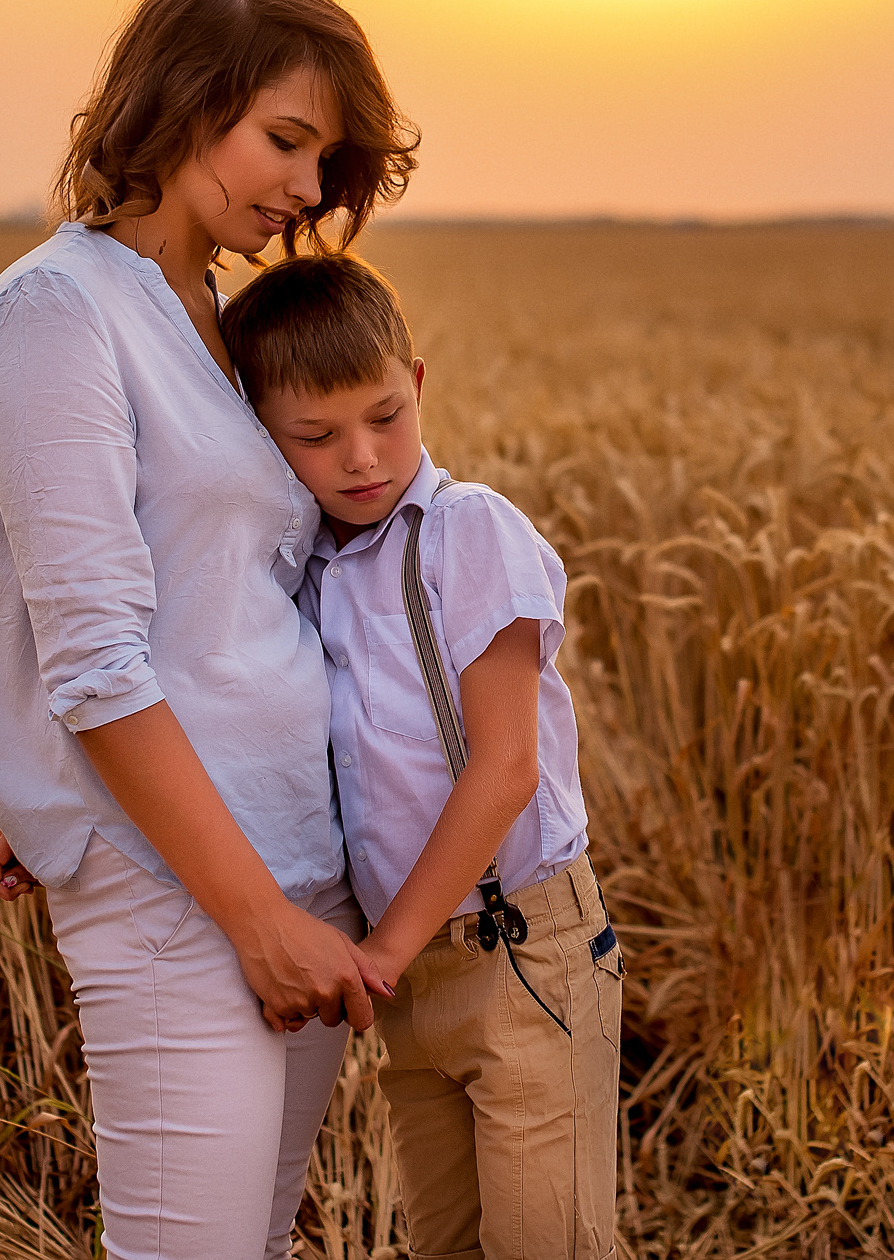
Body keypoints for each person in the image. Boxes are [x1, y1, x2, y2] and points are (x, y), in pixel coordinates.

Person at [0, 0, 419, 1260]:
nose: (309, 189)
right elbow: (93, 655)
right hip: (183, 890)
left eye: (325, 158)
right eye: (286, 138)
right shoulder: (57, 315)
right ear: (182, 98)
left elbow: (216, 595)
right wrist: (252, 917)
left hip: (296, 865)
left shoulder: (213, 311)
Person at [222, 253, 623, 1260]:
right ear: (260, 436)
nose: (361, 457)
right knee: (448, 1241)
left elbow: (506, 766)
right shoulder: (303, 569)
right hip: (411, 982)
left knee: (548, 1244)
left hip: (521, 950)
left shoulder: (466, 532)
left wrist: (385, 951)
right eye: (315, 436)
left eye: (384, 416)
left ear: (418, 384)